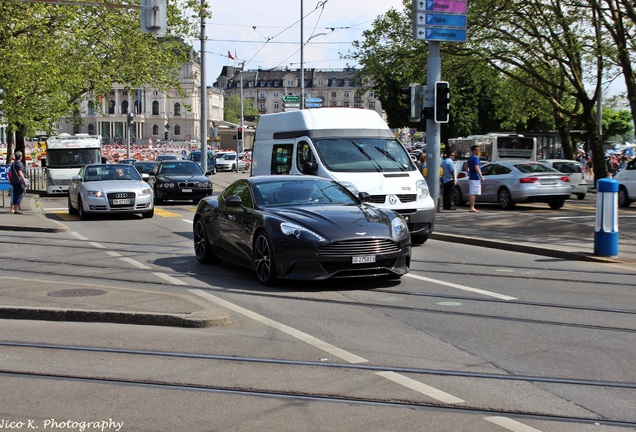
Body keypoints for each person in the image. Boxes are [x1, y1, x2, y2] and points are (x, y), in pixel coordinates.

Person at [466, 145, 484, 213]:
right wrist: (481, 176)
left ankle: (472, 207)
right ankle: (472, 207)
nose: (478, 151)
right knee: (473, 193)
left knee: (472, 192)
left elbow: (466, 166)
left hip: (472, 177)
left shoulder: (470, 158)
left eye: (479, 150)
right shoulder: (476, 158)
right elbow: (477, 167)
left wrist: (469, 172)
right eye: (477, 150)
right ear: (473, 151)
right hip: (475, 177)